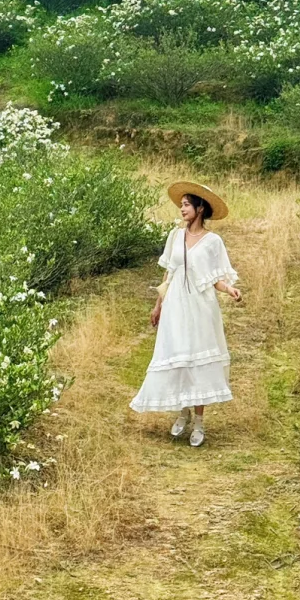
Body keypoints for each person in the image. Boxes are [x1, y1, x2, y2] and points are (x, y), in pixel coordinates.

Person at [129, 180, 241, 447]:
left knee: (197, 360)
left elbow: (216, 278)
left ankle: (199, 421)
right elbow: (168, 274)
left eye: (187, 205)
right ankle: (183, 412)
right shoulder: (175, 236)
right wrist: (158, 305)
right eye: (181, 205)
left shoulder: (213, 242)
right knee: (179, 356)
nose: (182, 209)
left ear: (200, 209)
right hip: (175, 306)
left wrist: (230, 289)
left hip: (201, 307)